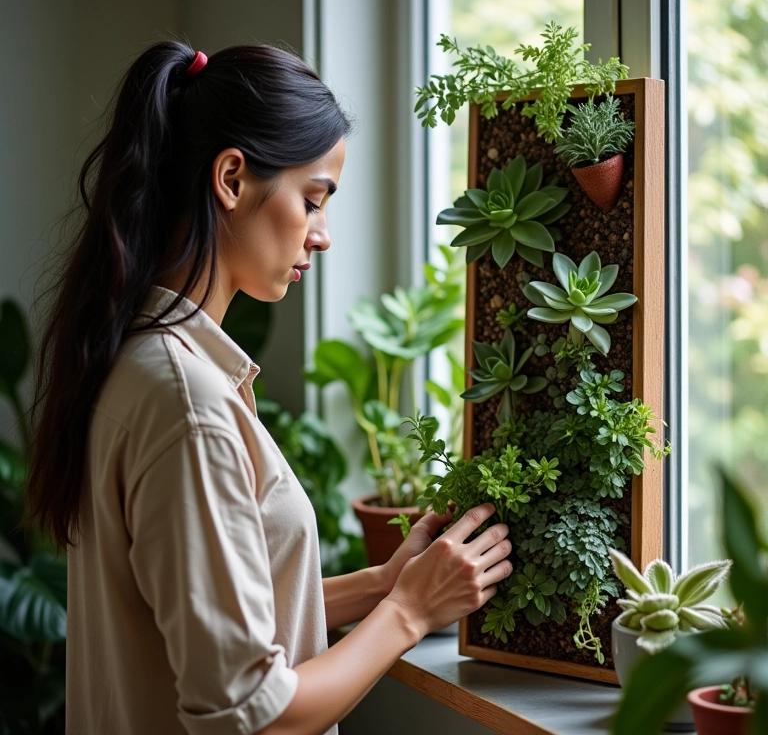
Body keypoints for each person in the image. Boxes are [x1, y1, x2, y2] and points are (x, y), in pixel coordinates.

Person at [25, 40, 512, 735]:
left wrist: (384, 585)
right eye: (312, 201)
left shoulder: (137, 362)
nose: (323, 235)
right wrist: (409, 614)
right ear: (231, 178)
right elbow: (250, 714)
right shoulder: (187, 404)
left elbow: (213, 617)